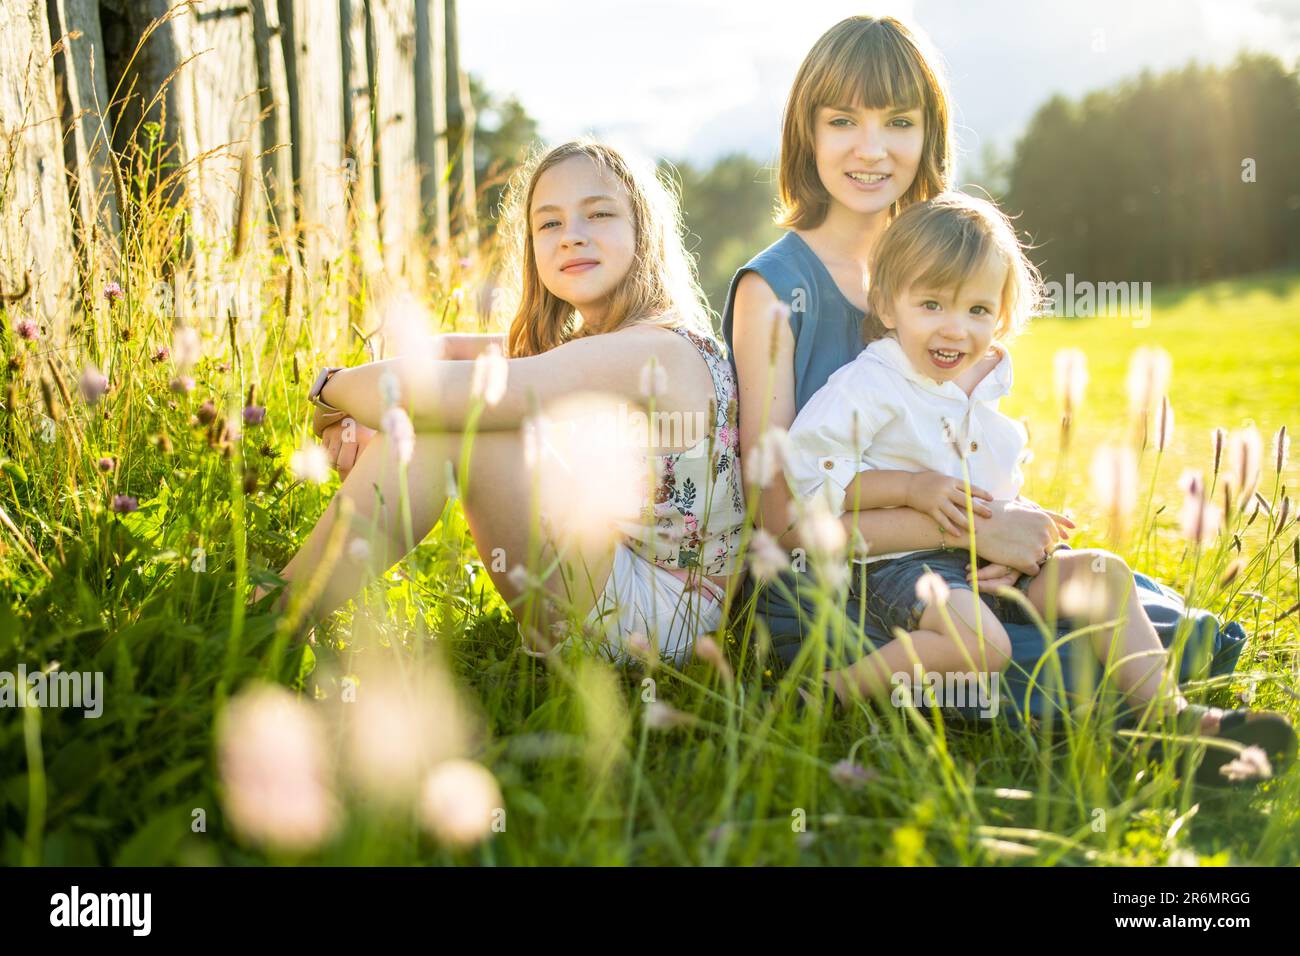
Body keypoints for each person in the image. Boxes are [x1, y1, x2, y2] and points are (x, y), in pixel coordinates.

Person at [722, 15, 1257, 756]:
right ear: (805, 133)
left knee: (1113, 594)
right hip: (835, 576)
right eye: (842, 120)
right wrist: (970, 526)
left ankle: (1164, 719)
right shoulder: (776, 289)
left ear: (928, 134)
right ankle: (1135, 729)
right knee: (1045, 659)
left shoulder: (937, 264)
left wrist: (1008, 522)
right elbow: (779, 513)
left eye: (898, 122)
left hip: (950, 561)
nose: (871, 148)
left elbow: (958, 447)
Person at [783, 192, 1297, 785]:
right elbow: (810, 478)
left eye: (977, 310)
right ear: (887, 304)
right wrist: (911, 485)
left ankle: (1170, 720)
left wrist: (1020, 525)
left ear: (1000, 315)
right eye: (932, 304)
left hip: (984, 563)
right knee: (983, 646)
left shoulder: (985, 383)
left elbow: (993, 490)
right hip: (900, 567)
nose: (956, 329)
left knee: (1103, 574)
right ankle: (831, 694)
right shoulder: (867, 385)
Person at [253, 140, 746, 667]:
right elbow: (440, 353)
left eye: (599, 214)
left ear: (643, 233)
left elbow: (443, 392)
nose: (572, 236)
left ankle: (271, 620)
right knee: (447, 416)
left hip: (663, 619)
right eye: (549, 224)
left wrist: (329, 389)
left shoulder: (653, 349)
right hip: (623, 585)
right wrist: (367, 417)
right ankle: (276, 618)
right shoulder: (594, 344)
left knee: (466, 424)